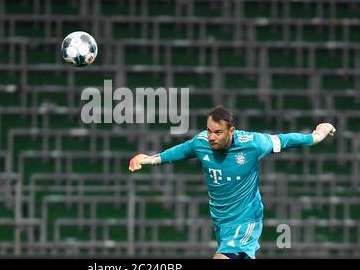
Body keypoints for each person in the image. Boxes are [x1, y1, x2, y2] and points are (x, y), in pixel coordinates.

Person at [128, 105, 336, 259]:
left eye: (218, 132)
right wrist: (149, 159)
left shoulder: (253, 144)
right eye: (209, 130)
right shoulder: (201, 142)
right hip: (221, 222)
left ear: (231, 132)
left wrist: (316, 136)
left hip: (245, 220)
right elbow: (181, 151)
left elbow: (285, 140)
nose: (211, 137)